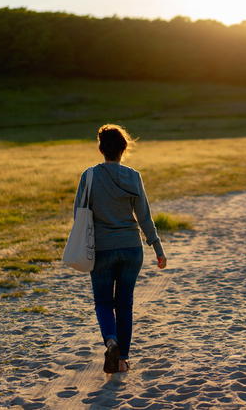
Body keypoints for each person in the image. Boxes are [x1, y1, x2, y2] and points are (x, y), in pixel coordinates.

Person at [73, 124, 167, 374]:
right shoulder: (133, 176)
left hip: (102, 250)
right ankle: (123, 359)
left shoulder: (89, 176)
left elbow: (79, 216)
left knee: (103, 302)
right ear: (123, 149)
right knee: (124, 305)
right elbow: (144, 216)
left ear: (101, 149)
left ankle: (110, 340)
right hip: (131, 249)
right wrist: (157, 247)